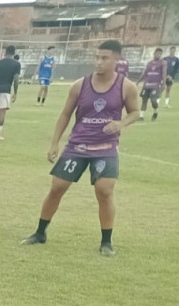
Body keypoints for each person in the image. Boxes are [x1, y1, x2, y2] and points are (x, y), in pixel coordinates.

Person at [21, 40, 140, 257]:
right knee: (57, 188)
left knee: (104, 191)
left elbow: (135, 112)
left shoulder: (126, 87)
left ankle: (106, 242)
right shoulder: (79, 85)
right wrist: (55, 142)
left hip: (106, 147)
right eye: (97, 57)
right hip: (77, 146)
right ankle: (40, 232)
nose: (99, 62)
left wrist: (121, 123)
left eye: (104, 58)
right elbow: (66, 114)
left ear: (117, 60)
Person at [137, 47, 165, 121]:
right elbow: (144, 73)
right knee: (144, 100)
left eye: (160, 54)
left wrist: (163, 84)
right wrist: (138, 81)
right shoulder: (149, 63)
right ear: (154, 54)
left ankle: (155, 112)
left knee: (153, 100)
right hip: (147, 85)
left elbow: (164, 73)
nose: (159, 55)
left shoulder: (162, 63)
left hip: (155, 85)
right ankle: (141, 116)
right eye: (157, 53)